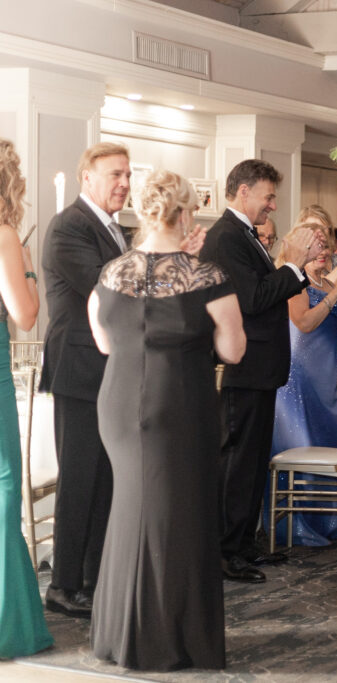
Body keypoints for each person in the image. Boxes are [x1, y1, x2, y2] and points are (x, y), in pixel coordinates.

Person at [87, 170, 245, 670]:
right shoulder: (205, 276)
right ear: (184, 214)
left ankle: (119, 634)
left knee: (133, 510)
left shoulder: (111, 274)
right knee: (179, 516)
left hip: (118, 404)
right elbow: (234, 350)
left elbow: (106, 342)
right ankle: (169, 639)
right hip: (178, 404)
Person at [199, 159, 322, 584]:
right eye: (268, 196)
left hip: (259, 369)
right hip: (242, 367)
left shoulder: (242, 236)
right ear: (244, 191)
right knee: (236, 462)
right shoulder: (226, 238)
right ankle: (225, 551)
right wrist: (294, 265)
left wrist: (292, 267)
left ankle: (244, 542)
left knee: (252, 462)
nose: (272, 205)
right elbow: (252, 299)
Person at [39, 141, 132, 618]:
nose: (124, 183)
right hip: (78, 371)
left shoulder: (117, 229)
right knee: (79, 478)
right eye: (115, 174)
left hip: (109, 371)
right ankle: (64, 585)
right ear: (87, 178)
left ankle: (95, 579)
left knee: (106, 479)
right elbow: (107, 285)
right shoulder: (69, 226)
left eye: (127, 175)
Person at [267, 221, 337, 547]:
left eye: (325, 242)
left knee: (334, 442)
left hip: (327, 381)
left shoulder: (330, 280)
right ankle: (302, 523)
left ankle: (332, 521)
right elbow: (303, 323)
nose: (322, 249)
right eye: (314, 243)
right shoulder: (298, 282)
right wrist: (336, 293)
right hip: (298, 382)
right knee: (304, 444)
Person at [0, 138, 53, 659]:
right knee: (4, 492)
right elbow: (25, 316)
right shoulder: (4, 234)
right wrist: (30, 269)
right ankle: (6, 624)